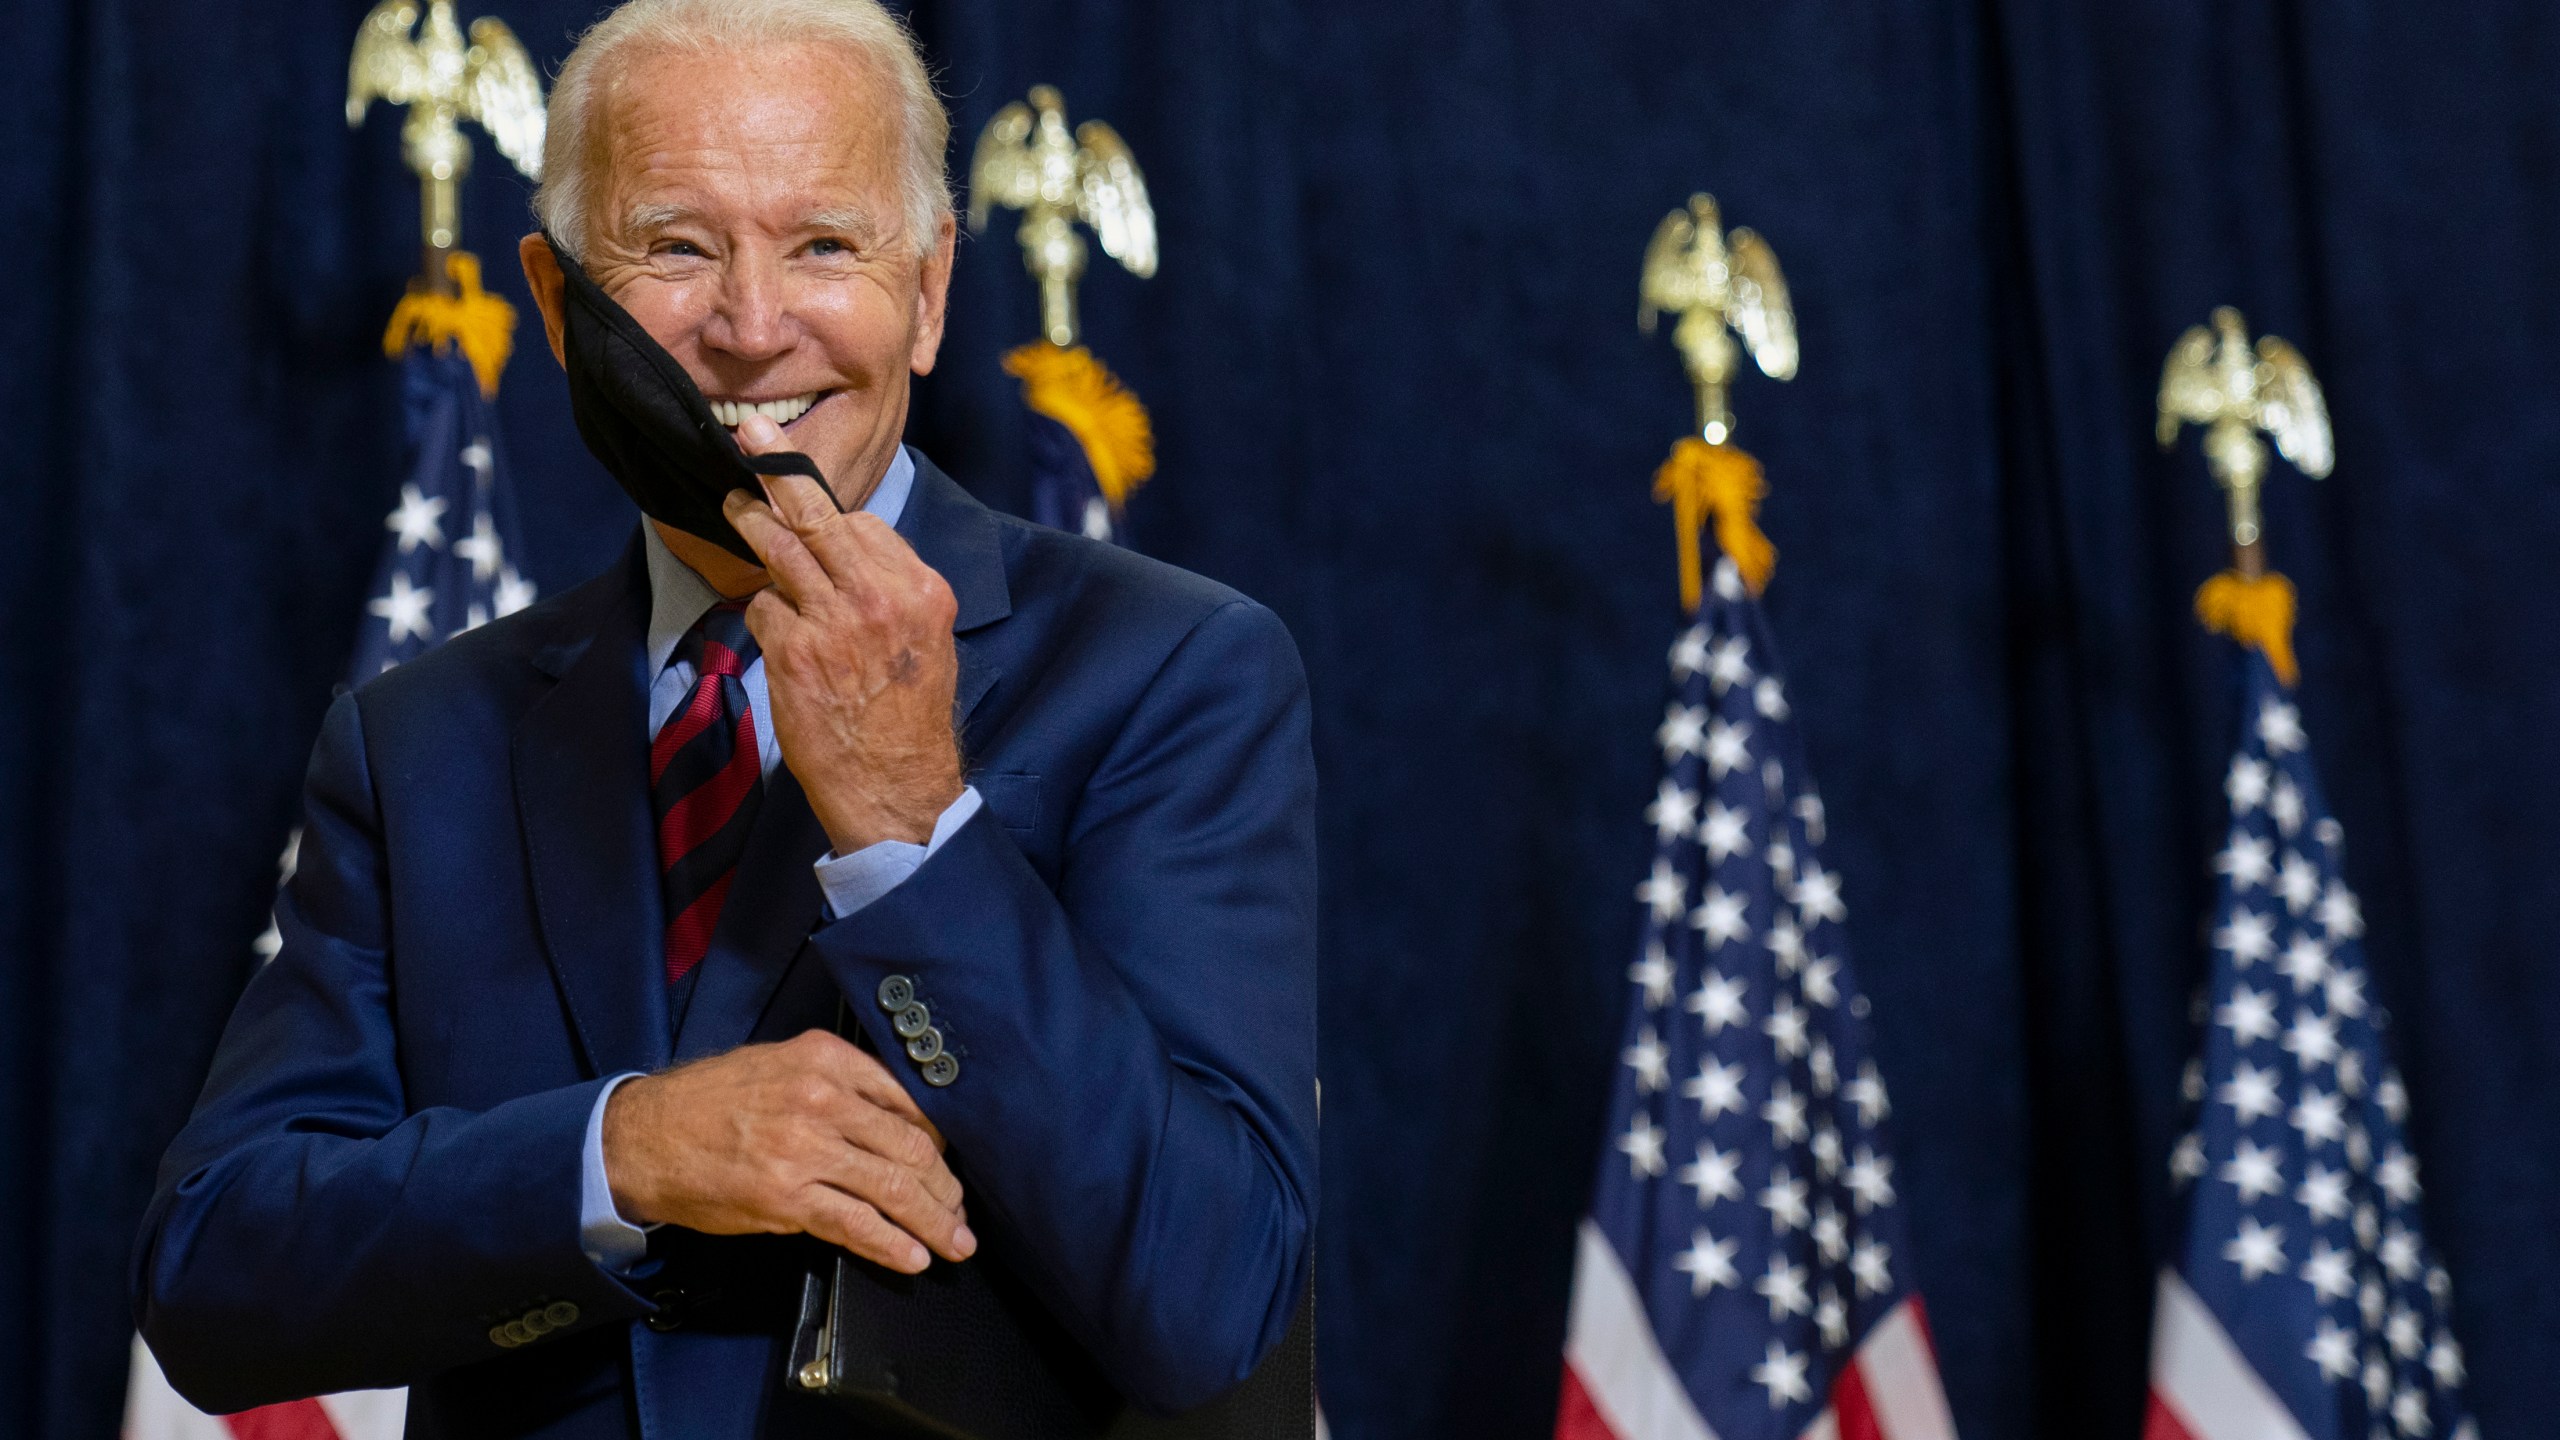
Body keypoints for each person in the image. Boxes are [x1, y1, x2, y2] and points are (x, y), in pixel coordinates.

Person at [131, 2, 1316, 1434]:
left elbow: (1211, 1301)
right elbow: (213, 1271)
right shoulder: (424, 738)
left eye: (826, 245)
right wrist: (620, 1152)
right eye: (678, 247)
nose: (755, 332)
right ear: (561, 306)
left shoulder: (1173, 673)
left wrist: (912, 835)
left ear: (931, 293)